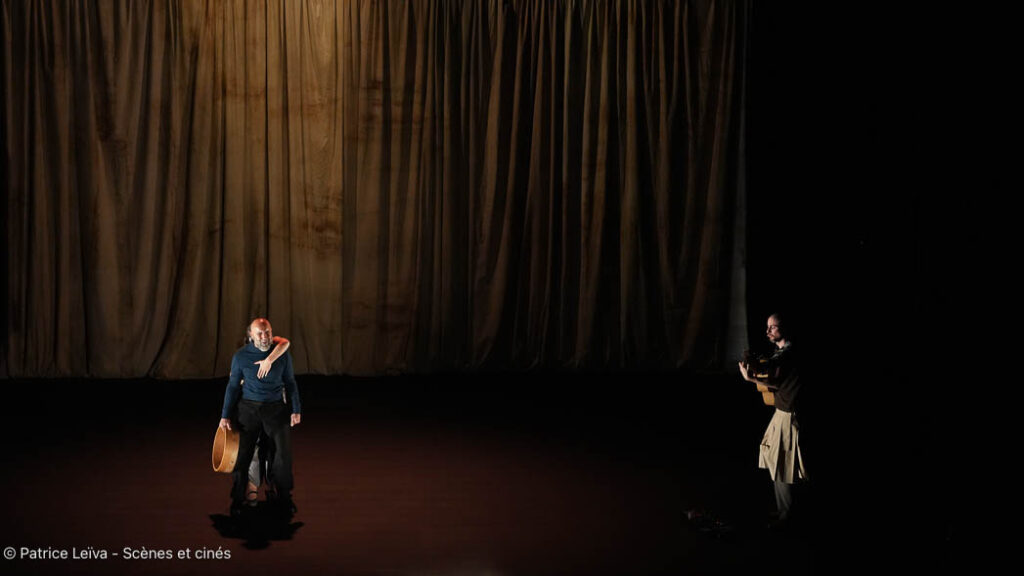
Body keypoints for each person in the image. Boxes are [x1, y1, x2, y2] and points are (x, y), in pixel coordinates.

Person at [220, 318, 302, 517]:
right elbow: (233, 387)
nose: (265, 337)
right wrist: (225, 415)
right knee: (243, 455)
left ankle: (285, 497)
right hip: (249, 409)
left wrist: (296, 409)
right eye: (260, 333)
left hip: (275, 408)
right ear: (251, 336)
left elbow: (290, 382)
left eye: (268, 332)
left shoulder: (282, 353)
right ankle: (238, 499)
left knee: (283, 455)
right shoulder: (241, 357)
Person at [738, 313, 807, 529]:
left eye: (773, 327)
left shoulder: (789, 353)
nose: (768, 331)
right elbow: (773, 374)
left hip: (789, 415)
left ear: (784, 328)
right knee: (775, 459)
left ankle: (788, 516)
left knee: (784, 465)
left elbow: (777, 380)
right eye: (767, 327)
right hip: (781, 412)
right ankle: (783, 509)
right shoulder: (781, 353)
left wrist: (751, 377)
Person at [242, 334, 290, 505]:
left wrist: (269, 360)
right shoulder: (245, 357)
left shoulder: (275, 352)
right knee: (253, 445)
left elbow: (285, 343)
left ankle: (273, 484)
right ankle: (252, 486)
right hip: (252, 408)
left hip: (274, 408)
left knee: (274, 446)